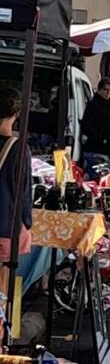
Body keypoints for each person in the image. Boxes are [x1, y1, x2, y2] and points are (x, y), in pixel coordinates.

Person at [0, 88, 32, 303]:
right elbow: (23, 194)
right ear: (17, 114)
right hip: (5, 225)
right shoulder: (18, 149)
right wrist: (26, 223)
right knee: (2, 289)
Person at [80, 77, 110, 178]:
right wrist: (101, 140)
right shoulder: (93, 106)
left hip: (109, 151)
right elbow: (87, 127)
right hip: (96, 151)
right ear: (99, 89)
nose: (108, 93)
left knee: (106, 182)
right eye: (105, 90)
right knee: (97, 182)